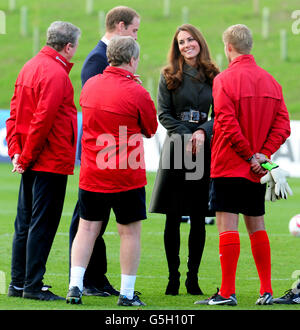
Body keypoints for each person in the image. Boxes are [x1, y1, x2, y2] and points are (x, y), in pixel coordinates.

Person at [195, 24, 290, 306]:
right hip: (257, 170)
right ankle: (266, 290)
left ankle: (227, 292)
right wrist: (264, 154)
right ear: (251, 46)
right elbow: (283, 126)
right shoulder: (272, 82)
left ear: (228, 48)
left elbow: (225, 121)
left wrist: (249, 155)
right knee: (257, 225)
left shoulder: (224, 80)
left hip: (229, 163)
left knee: (227, 226)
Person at [66, 36, 158, 306]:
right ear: (132, 60)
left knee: (86, 229)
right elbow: (150, 129)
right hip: (125, 172)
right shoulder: (137, 92)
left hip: (94, 171)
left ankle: (75, 286)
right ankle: (127, 294)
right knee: (128, 233)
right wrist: (140, 92)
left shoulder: (91, 85)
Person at [6, 21, 81, 301]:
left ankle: (19, 283)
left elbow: (15, 112)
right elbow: (43, 119)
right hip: (48, 159)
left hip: (31, 156)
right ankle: (33, 285)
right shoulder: (56, 73)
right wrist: (24, 157)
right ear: (69, 46)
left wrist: (16, 151)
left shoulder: (29, 65)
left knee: (24, 222)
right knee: (43, 223)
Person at [69, 6, 140, 297]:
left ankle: (91, 279)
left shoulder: (105, 58)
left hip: (105, 156)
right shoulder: (98, 60)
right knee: (87, 222)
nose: (137, 35)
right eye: (134, 30)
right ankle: (91, 279)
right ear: (120, 26)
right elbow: (95, 110)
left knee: (91, 222)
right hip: (106, 156)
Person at [149, 24, 219, 296]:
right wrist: (188, 135)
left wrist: (203, 132)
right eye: (181, 42)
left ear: (199, 41)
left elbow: (221, 112)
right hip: (177, 147)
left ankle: (193, 278)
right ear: (176, 47)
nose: (187, 45)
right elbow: (163, 114)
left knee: (199, 217)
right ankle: (173, 278)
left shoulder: (214, 74)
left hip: (204, 146)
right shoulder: (168, 75)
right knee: (173, 216)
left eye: (190, 40)